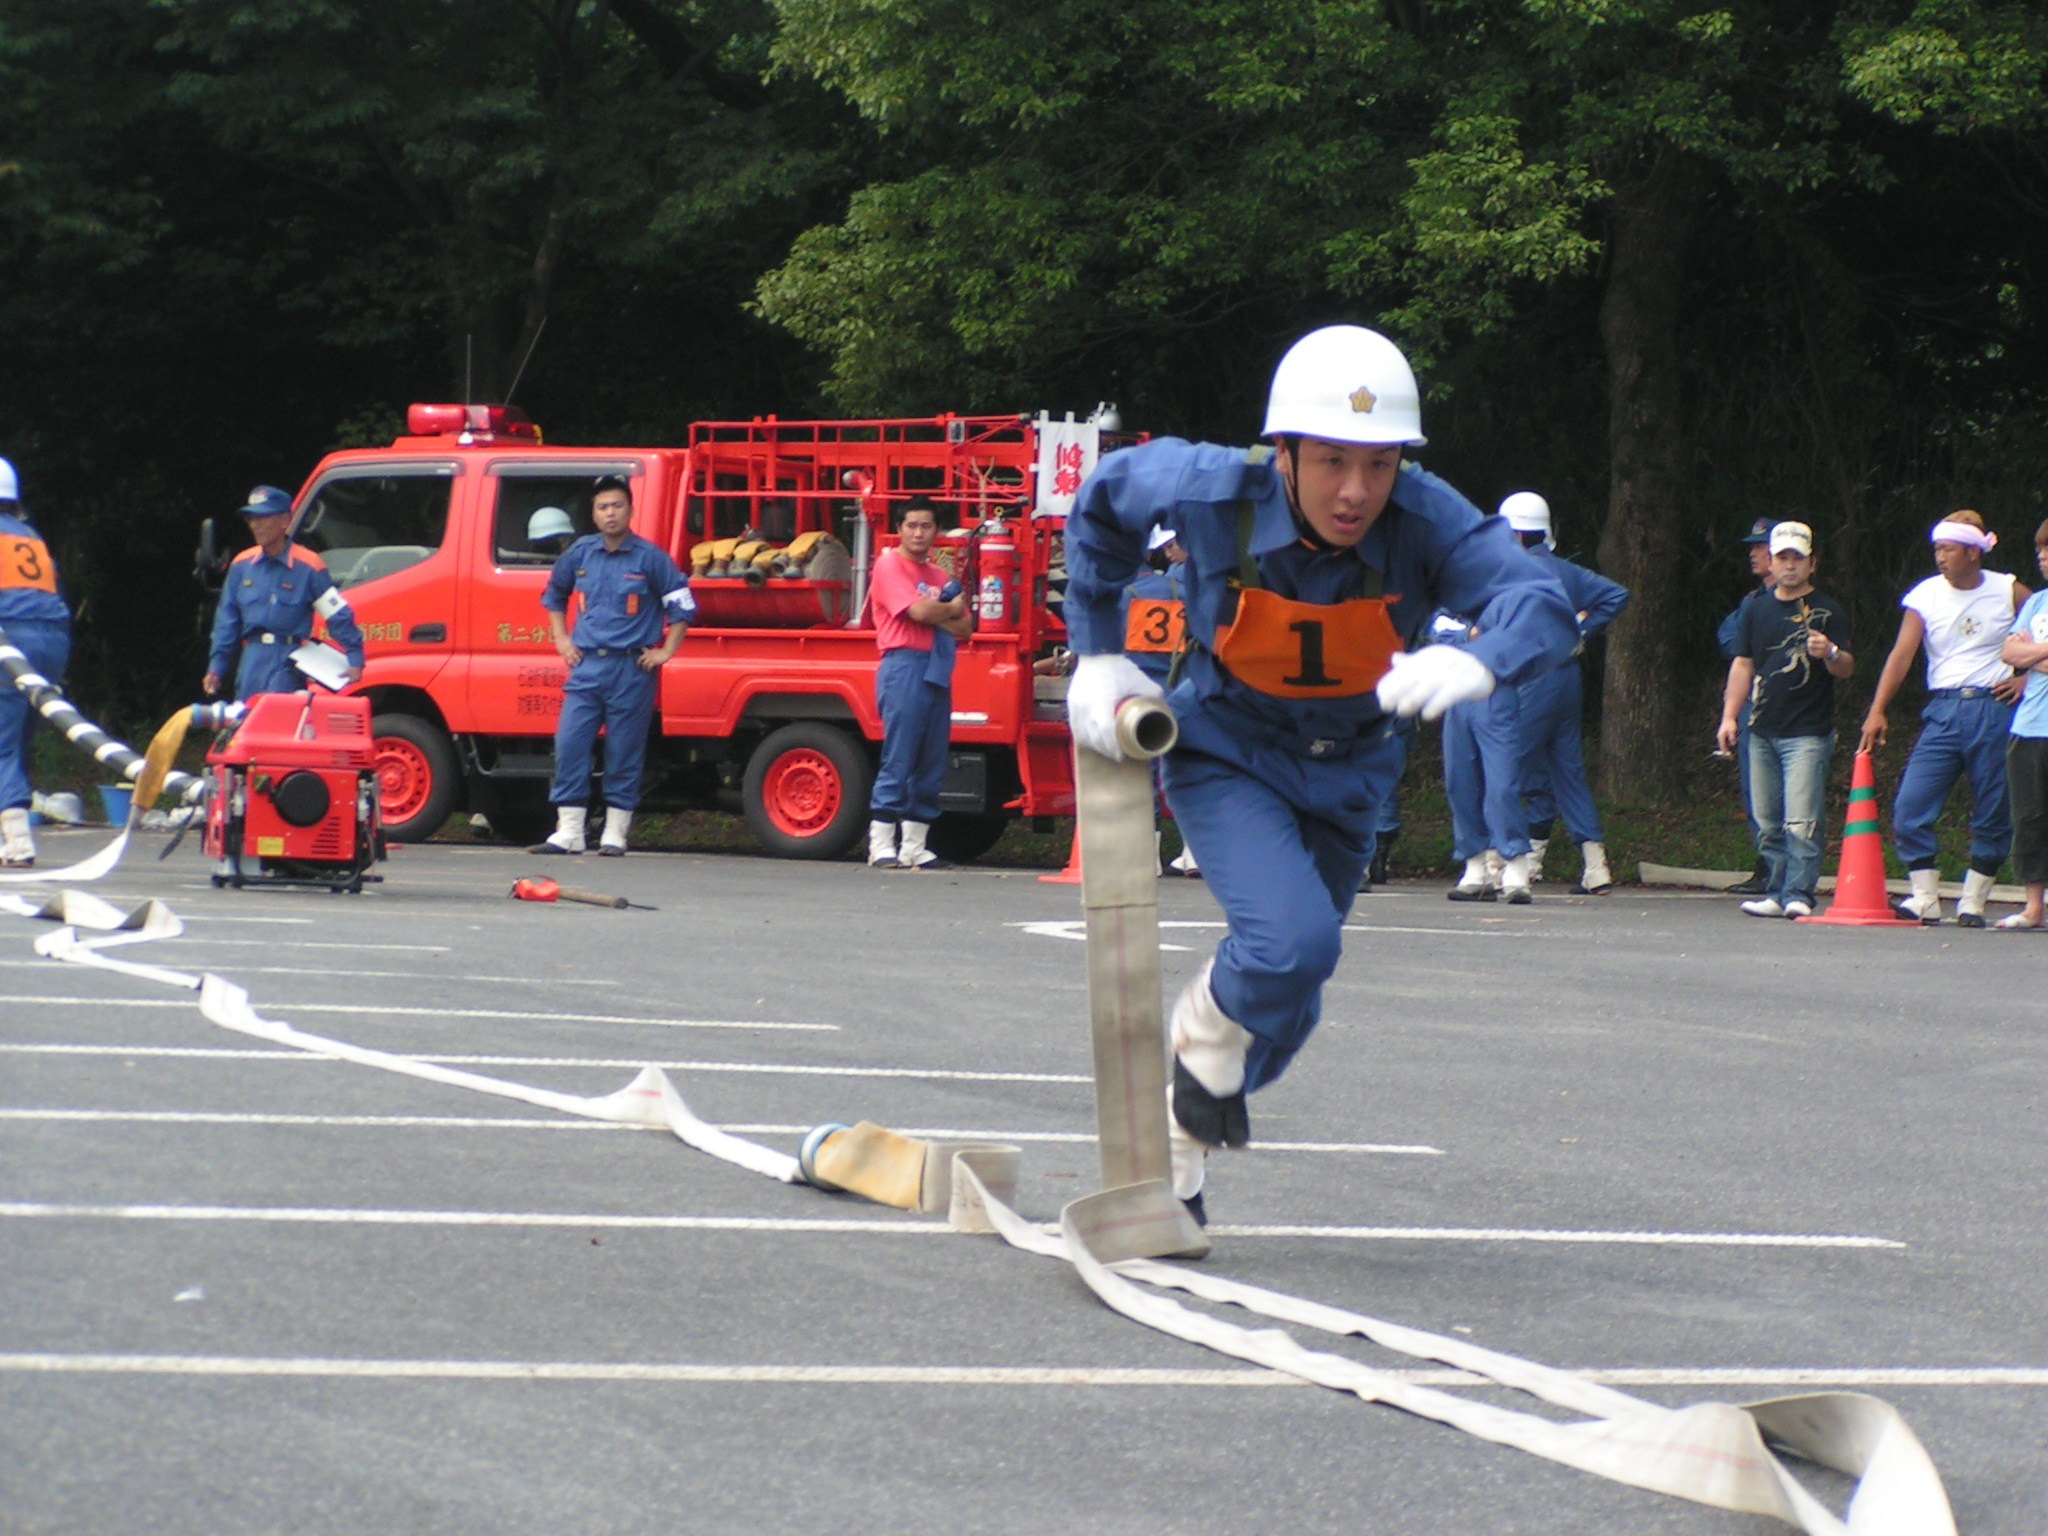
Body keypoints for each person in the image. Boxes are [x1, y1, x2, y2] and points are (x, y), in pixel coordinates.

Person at [1061, 324, 1578, 1219]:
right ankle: (1202, 1041)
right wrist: (1097, 650)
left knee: (1292, 1004)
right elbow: (1105, 497)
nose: (1355, 491)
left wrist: (1490, 655)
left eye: (1380, 465)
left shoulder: (1426, 516)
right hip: (1228, 756)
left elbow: (1538, 596)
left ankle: (1182, 1137)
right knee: (1292, 944)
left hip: (1351, 777)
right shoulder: (1212, 487)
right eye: (1333, 460)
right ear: (1285, 452)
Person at [1857, 510, 2029, 927]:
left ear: (1973, 552)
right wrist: (1877, 709)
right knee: (1911, 804)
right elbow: (1902, 654)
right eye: (1936, 549)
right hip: (1944, 708)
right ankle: (1924, 895)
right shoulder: (1926, 595)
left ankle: (1974, 898)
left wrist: (2026, 678)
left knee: (1992, 807)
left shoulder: (2007, 590)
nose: (1939, 557)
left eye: (1947, 549)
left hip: (1994, 706)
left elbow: (2042, 627)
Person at [533, 476, 693, 856]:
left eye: (617, 506)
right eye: (603, 507)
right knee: (570, 743)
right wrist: (561, 638)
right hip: (586, 666)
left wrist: (665, 651)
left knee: (624, 749)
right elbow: (554, 594)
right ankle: (569, 830)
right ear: (594, 513)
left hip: (631, 669)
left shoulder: (650, 558)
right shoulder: (580, 553)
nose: (610, 513)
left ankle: (615, 833)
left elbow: (682, 605)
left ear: (631, 511)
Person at [1716, 522, 1854, 918]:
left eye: (1798, 558)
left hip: (1808, 731)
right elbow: (1743, 664)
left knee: (1802, 820)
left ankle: (1799, 892)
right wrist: (1729, 717)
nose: (1789, 566)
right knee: (1767, 820)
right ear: (1772, 563)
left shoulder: (1829, 610)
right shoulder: (1755, 609)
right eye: (1782, 558)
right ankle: (1776, 889)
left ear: (1813, 563)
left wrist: (1828, 652)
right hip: (1760, 727)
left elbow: (1847, 667)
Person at [1501, 492, 1631, 895]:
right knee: (1568, 773)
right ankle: (1596, 867)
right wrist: (1581, 628)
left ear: (1517, 536)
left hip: (1532, 679)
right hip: (1566, 679)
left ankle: (1499, 864)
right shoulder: (1565, 571)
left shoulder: (1512, 573)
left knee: (1504, 767)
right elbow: (1616, 595)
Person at [865, 500, 972, 869]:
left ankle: (914, 846)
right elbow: (920, 612)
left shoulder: (938, 575)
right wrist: (948, 610)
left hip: (937, 665)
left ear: (936, 532)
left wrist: (937, 614)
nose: (919, 533)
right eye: (911, 525)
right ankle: (880, 844)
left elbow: (965, 628)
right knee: (900, 754)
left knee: (931, 759)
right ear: (899, 527)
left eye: (926, 526)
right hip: (903, 665)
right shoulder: (889, 564)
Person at [203, 485, 366, 701]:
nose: (255, 525)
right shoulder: (241, 566)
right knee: (246, 724)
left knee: (276, 720)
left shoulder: (309, 566)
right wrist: (216, 668)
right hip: (252, 658)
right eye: (251, 519)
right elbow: (226, 622)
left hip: (288, 659)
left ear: (285, 521)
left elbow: (336, 613)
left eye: (263, 518)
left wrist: (354, 657)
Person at [0, 458, 71, 867]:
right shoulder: (31, 537)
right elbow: (56, 592)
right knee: (19, 740)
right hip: (51, 641)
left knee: (1, 743)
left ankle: (19, 840)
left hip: (11, 638)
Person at [1435, 609, 1533, 902]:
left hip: (1497, 692)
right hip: (1457, 696)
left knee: (1502, 784)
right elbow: (1439, 639)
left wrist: (1474, 638)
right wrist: (1472, 635)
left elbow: (1516, 642)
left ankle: (1515, 866)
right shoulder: (1449, 602)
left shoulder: (1509, 599)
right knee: (1460, 782)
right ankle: (1475, 867)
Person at [1124, 524, 1199, 875]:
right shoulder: (1189, 591)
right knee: (1188, 772)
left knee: (1141, 773)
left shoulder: (1128, 594)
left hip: (1139, 692)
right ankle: (1195, 853)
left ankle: (1145, 856)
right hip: (1183, 686)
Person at [1717, 517, 1778, 894]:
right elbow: (1730, 640)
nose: (1754, 553)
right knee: (1755, 787)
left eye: (1762, 546)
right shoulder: (1753, 601)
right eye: (1753, 547)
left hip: (1784, 699)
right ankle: (1766, 862)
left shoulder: (1801, 602)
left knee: (1784, 789)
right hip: (1751, 699)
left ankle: (1785, 865)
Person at [1996, 521, 2048, 929]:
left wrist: (2033, 653)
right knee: (2029, 817)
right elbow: (2010, 650)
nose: (2043, 558)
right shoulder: (2036, 603)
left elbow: (2025, 654)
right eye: (2040, 552)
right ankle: (2033, 906)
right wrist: (2033, 654)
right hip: (2030, 725)